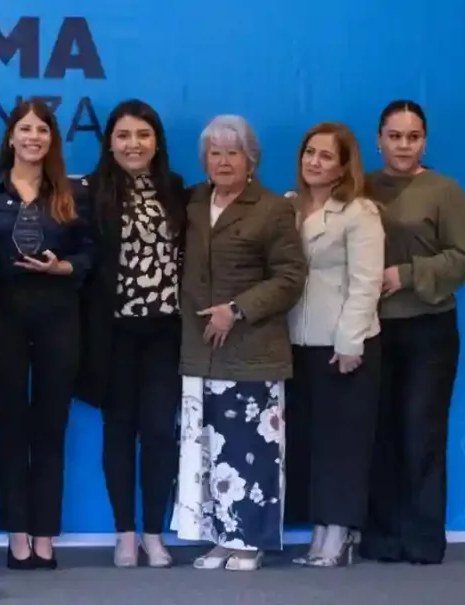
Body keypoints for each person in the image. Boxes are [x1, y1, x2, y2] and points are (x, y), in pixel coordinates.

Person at [170, 115, 307, 572]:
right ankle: (223, 538)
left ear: (252, 160)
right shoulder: (193, 202)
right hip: (200, 350)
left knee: (253, 450)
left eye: (233, 153)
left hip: (252, 350)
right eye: (215, 153)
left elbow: (290, 277)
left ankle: (251, 542)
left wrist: (238, 309)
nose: (223, 161)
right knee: (210, 450)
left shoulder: (272, 208)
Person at [0, 99, 95, 570]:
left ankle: (45, 534)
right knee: (9, 425)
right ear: (11, 137)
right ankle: (17, 534)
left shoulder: (72, 192)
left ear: (52, 139)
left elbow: (91, 252)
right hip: (2, 319)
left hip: (58, 317)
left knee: (50, 426)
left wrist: (64, 267)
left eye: (42, 130)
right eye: (25, 129)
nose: (33, 137)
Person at [361, 100, 465, 565]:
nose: (403, 145)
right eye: (395, 136)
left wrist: (406, 274)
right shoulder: (362, 187)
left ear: (424, 142)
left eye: (413, 137)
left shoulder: (444, 190)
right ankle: (381, 537)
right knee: (380, 433)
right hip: (372, 329)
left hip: (429, 329)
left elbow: (464, 255)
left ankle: (423, 539)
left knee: (421, 433)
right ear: (379, 139)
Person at [74, 100, 187, 568]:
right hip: (113, 332)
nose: (133, 144)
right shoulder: (89, 192)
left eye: (143, 135)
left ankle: (154, 534)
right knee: (118, 431)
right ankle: (124, 533)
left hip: (166, 332)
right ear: (109, 143)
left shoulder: (177, 190)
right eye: (123, 136)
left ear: (157, 142)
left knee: (159, 431)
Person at [284, 122, 385, 566]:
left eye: (326, 156)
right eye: (310, 152)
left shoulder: (360, 212)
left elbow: (366, 283)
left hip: (343, 344)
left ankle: (340, 533)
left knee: (342, 443)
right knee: (311, 441)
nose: (314, 161)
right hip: (295, 342)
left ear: (343, 167)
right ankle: (319, 529)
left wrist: (350, 343)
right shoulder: (288, 206)